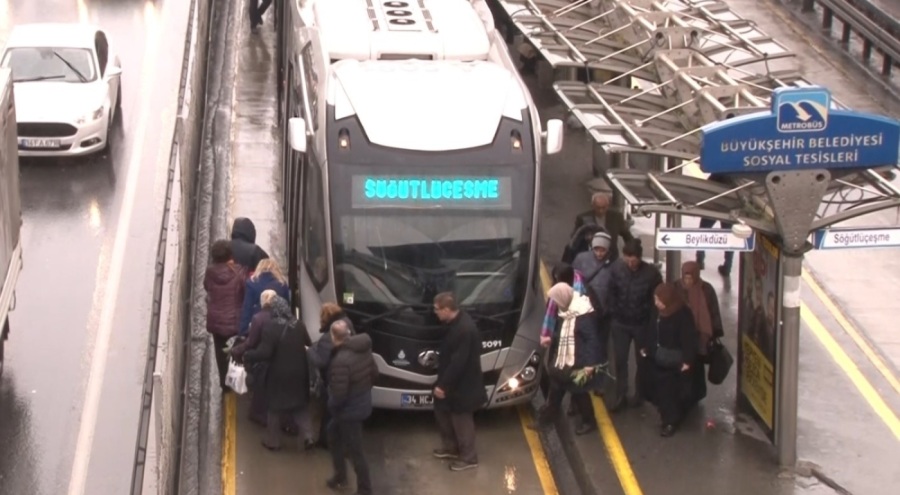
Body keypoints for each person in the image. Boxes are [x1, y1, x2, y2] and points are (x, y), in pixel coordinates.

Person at [243, 295, 314, 451]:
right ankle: (308, 436)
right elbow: (308, 343)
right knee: (300, 406)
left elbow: (265, 352)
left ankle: (273, 442)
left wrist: (249, 355)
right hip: (299, 372)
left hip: (279, 374)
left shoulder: (271, 327)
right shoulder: (299, 325)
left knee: (274, 408)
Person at [533, 283, 601, 436]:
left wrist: (590, 365)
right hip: (564, 361)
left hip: (579, 362)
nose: (555, 304)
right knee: (556, 392)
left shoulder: (584, 315)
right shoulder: (565, 311)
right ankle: (546, 420)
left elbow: (592, 340)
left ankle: (589, 421)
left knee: (580, 393)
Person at [431, 292, 487, 472]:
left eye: (437, 310)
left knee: (462, 421)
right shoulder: (455, 324)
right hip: (454, 384)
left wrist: (443, 385)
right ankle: (451, 447)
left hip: (463, 386)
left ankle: (469, 457)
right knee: (443, 411)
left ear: (447, 309)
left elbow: (458, 362)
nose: (435, 313)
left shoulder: (464, 329)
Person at [607, 238, 663, 412]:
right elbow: (610, 292)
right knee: (621, 360)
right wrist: (613, 312)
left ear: (639, 258)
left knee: (642, 360)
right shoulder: (616, 269)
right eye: (628, 259)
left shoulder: (651, 274)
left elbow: (656, 300)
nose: (631, 263)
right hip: (620, 323)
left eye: (634, 259)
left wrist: (650, 322)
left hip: (641, 325)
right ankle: (621, 394)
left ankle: (640, 394)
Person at [638, 283, 701, 437]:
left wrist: (687, 361)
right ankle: (666, 415)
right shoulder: (658, 312)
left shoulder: (682, 314)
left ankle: (670, 421)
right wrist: (647, 346)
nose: (656, 303)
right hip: (657, 357)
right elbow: (652, 330)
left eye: (659, 300)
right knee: (660, 389)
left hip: (674, 362)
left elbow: (688, 339)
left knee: (670, 392)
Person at [325, 320, 378, 495]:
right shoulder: (364, 349)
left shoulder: (340, 360)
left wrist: (331, 405)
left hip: (348, 411)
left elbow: (339, 394)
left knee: (356, 452)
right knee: (332, 434)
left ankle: (365, 489)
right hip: (360, 403)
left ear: (334, 337)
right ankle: (340, 476)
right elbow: (374, 374)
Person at [571, 231, 616, 394]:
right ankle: (581, 380)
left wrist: (609, 309)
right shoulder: (581, 259)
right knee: (582, 346)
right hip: (583, 311)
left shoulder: (613, 265)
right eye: (596, 249)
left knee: (601, 348)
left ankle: (598, 384)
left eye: (602, 250)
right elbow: (573, 281)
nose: (599, 253)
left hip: (603, 314)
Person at [308, 303, 355, 449]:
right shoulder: (347, 323)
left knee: (329, 412)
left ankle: (326, 442)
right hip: (348, 377)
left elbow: (321, 361)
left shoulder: (328, 337)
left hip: (332, 379)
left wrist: (309, 351)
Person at [231, 289, 278, 426]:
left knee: (259, 386)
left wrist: (236, 350)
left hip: (261, 359)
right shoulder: (281, 316)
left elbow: (251, 342)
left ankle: (258, 414)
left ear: (262, 302)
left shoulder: (258, 318)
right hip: (278, 359)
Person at [203, 239, 246, 389]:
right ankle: (236, 384)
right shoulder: (239, 272)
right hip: (235, 323)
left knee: (221, 356)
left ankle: (225, 385)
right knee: (235, 354)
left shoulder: (210, 272)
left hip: (217, 324)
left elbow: (206, 287)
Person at [566, 192, 634, 262]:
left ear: (608, 206)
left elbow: (627, 236)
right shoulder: (583, 218)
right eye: (598, 208)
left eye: (603, 208)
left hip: (611, 257)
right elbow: (575, 237)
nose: (601, 211)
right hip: (590, 258)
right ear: (592, 205)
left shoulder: (616, 217)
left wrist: (633, 250)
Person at [695, 175, 735, 276]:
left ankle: (700, 260)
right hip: (728, 210)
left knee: (703, 232)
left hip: (713, 208)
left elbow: (706, 187)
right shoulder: (735, 177)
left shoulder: (716, 174)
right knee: (729, 238)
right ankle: (728, 266)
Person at [239, 259, 290, 336]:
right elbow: (286, 307)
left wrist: (243, 331)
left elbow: (247, 308)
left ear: (259, 268)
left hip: (258, 327)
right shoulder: (282, 284)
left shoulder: (252, 283)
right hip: (278, 328)